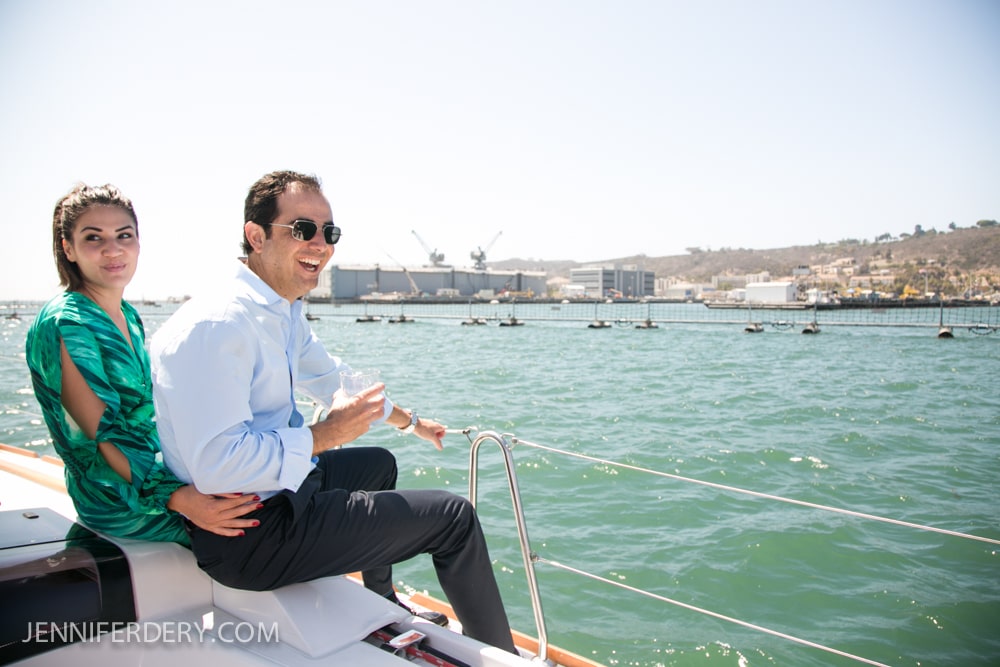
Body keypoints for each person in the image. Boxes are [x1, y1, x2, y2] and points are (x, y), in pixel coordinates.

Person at [149, 170, 517, 653]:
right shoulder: (219, 325)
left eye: (330, 233)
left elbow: (335, 380)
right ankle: (503, 658)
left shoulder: (279, 310)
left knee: (379, 463)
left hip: (280, 492)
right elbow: (219, 466)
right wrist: (326, 435)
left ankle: (383, 600)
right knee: (453, 516)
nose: (320, 244)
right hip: (250, 535)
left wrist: (413, 423)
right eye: (302, 229)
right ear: (255, 237)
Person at [25, 183, 262, 545]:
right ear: (67, 248)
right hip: (118, 499)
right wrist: (183, 498)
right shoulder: (67, 324)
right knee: (257, 528)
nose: (113, 249)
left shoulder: (127, 315)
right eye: (94, 238)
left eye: (124, 235)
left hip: (156, 470)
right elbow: (101, 439)